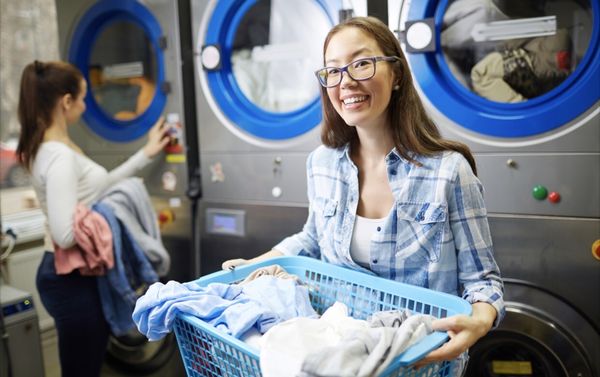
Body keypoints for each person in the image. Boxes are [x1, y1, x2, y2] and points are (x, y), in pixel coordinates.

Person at [222, 17, 505, 373]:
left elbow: (482, 281)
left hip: (418, 362)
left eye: (361, 63)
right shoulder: (321, 165)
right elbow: (311, 239)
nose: (346, 82)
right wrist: (255, 265)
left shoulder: (448, 171)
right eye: (334, 71)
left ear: (397, 74)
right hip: (343, 355)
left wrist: (479, 321)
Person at [15, 60, 169, 377]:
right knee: (81, 369)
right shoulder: (57, 156)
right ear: (66, 101)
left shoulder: (53, 147)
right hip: (69, 278)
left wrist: (146, 153)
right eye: (83, 99)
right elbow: (64, 234)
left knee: (86, 363)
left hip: (74, 275)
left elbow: (97, 187)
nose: (86, 106)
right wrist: (104, 219)